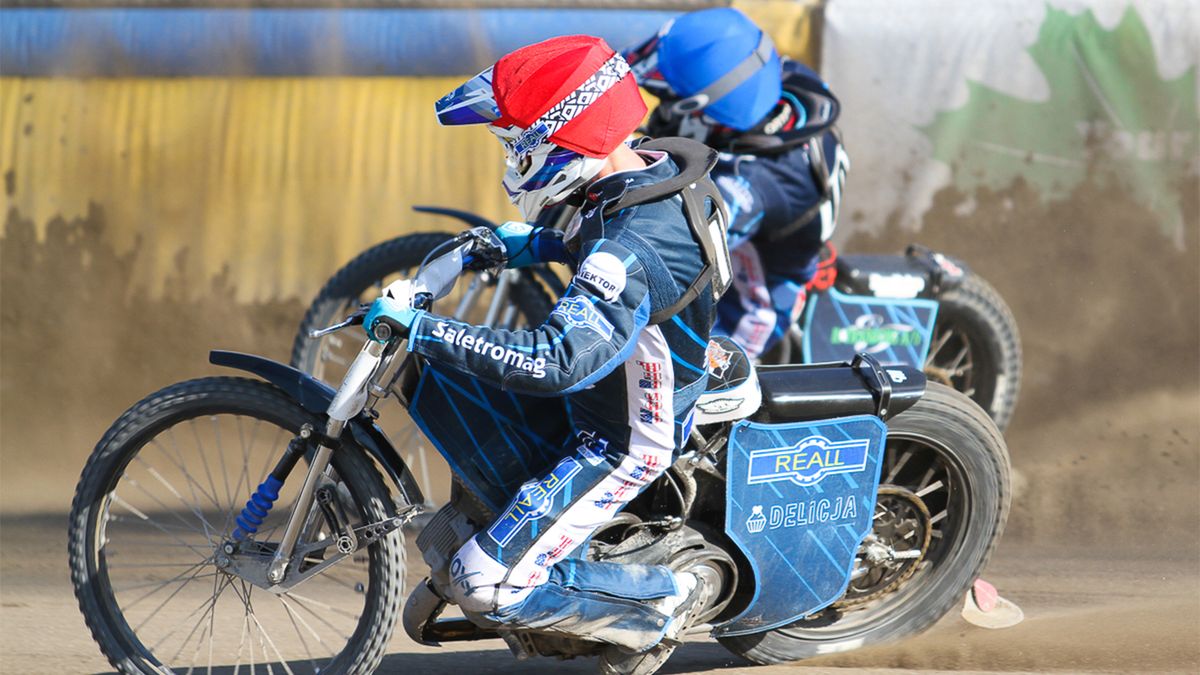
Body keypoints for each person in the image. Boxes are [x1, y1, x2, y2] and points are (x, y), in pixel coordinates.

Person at [364, 35, 729, 673]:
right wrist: (502, 245)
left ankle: (670, 599)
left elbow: (557, 360)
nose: (512, 158)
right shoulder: (640, 176)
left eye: (517, 143)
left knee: (485, 583)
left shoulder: (630, 247)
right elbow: (583, 232)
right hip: (625, 379)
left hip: (623, 437)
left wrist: (422, 330)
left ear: (567, 135)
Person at [625, 7, 849, 360]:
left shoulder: (760, 184)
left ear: (706, 111)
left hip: (748, 303)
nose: (663, 110)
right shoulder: (773, 82)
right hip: (750, 245)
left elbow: (682, 240)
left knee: (676, 385)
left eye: (672, 101)